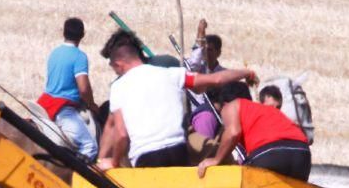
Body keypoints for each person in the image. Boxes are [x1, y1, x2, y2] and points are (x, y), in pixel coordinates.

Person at [97, 30, 256, 170]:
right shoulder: (171, 74)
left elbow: (121, 134)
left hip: (146, 157)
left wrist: (113, 162)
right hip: (178, 151)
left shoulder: (119, 87)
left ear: (118, 64)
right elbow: (216, 79)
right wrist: (246, 73)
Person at [196, 85, 311, 181]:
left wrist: (216, 160)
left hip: (271, 152)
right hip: (302, 153)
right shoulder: (265, 111)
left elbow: (233, 133)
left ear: (224, 103)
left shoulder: (231, 106)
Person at [37, 17, 99, 161]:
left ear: (63, 33)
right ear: (82, 35)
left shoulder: (55, 52)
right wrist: (91, 104)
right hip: (63, 109)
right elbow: (83, 88)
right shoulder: (79, 57)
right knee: (90, 146)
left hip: (43, 104)